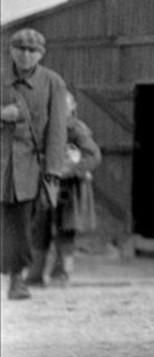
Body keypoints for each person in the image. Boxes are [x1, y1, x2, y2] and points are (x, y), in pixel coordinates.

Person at [1, 28, 69, 301]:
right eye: (20, 49)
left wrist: (52, 171)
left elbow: (57, 131)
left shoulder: (53, 83)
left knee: (21, 225)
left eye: (32, 51)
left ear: (41, 54)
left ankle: (17, 279)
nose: (26, 55)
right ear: (10, 51)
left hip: (29, 167)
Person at [27, 91, 101, 286]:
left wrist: (70, 169)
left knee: (65, 230)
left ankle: (61, 274)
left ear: (72, 108)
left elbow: (93, 156)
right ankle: (35, 274)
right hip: (46, 187)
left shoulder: (77, 130)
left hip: (70, 190)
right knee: (39, 228)